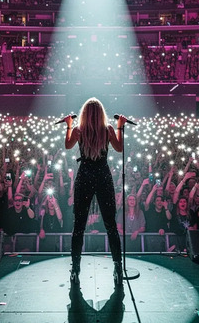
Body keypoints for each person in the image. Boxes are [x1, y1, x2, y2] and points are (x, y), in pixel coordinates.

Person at [63, 98, 125, 287]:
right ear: (101, 114)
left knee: (79, 226)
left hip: (85, 176)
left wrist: (68, 125)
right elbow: (119, 148)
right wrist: (120, 126)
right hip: (103, 176)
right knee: (110, 224)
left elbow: (67, 146)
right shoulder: (108, 130)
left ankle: (75, 268)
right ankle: (117, 266)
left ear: (84, 114)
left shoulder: (78, 131)